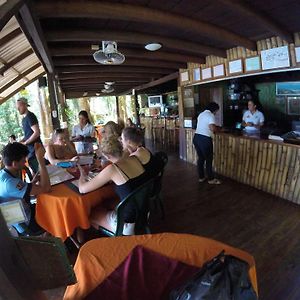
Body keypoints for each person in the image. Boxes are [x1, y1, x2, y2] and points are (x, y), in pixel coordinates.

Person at [78, 135, 147, 235]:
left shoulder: (112, 170)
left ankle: (107, 244)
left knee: (90, 213)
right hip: (144, 211)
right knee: (105, 203)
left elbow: (82, 189)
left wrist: (82, 175)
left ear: (107, 156)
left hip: (128, 223)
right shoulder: (134, 158)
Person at [0, 142, 51, 235]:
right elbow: (46, 188)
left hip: (21, 213)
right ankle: (52, 237)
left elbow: (16, 191)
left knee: (49, 207)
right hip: (25, 222)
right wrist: (40, 161)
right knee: (54, 213)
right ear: (14, 163)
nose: (25, 162)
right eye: (23, 160)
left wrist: (32, 183)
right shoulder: (10, 183)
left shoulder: (3, 174)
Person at [193, 102, 221, 185]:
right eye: (216, 111)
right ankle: (211, 179)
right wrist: (218, 129)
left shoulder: (201, 114)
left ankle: (201, 177)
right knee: (208, 160)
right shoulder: (210, 115)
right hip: (205, 139)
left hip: (196, 138)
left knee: (201, 158)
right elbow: (212, 128)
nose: (216, 113)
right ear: (214, 109)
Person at [17, 97, 42, 173]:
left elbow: (37, 132)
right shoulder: (24, 119)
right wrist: (22, 140)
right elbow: (29, 134)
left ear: (25, 105)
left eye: (19, 106)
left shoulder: (30, 116)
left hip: (35, 149)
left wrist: (26, 142)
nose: (18, 109)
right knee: (35, 171)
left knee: (40, 171)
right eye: (17, 107)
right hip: (30, 150)